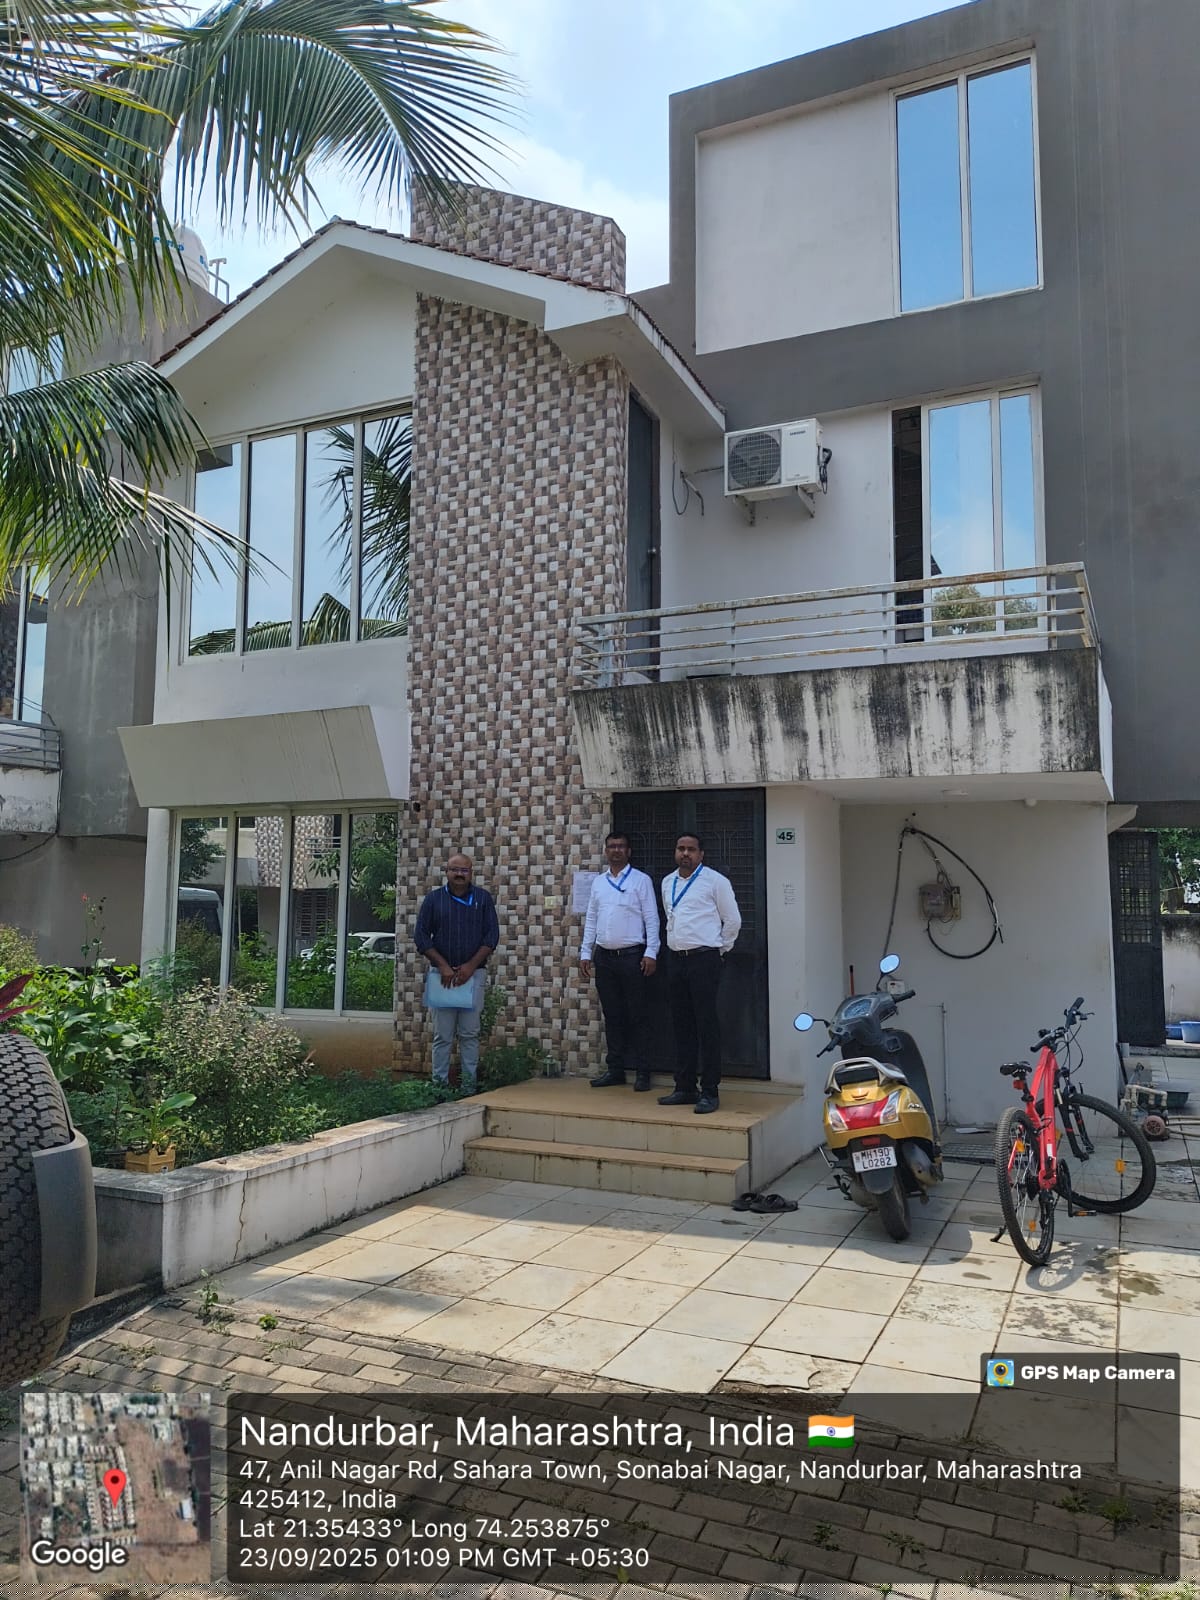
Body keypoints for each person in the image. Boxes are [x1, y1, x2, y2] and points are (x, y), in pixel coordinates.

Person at [659, 833, 741, 1114]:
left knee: (706, 1025)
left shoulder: (716, 881)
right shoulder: (667, 882)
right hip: (675, 959)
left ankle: (709, 1090)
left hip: (704, 959)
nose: (685, 854)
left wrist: (720, 949)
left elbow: (733, 920)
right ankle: (684, 1087)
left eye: (691, 849)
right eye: (680, 848)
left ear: (701, 854)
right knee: (681, 1025)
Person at [579, 832, 660, 1092]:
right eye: (612, 846)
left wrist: (652, 951)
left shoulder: (641, 880)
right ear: (605, 851)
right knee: (612, 1015)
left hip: (633, 957)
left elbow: (652, 918)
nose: (616, 850)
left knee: (638, 1015)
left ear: (629, 851)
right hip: (604, 957)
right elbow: (592, 917)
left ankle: (643, 1071)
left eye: (621, 846)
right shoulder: (599, 883)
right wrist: (585, 952)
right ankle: (615, 1069)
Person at [414, 853, 500, 1091]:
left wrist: (470, 966)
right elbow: (421, 937)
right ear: (447, 872)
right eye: (455, 870)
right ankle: (439, 1088)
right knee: (442, 1036)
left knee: (470, 1034)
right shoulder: (434, 900)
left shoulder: (482, 899)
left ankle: (468, 1088)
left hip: (474, 975)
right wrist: (442, 965)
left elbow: (492, 937)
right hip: (442, 977)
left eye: (464, 870)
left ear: (471, 873)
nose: (459, 874)